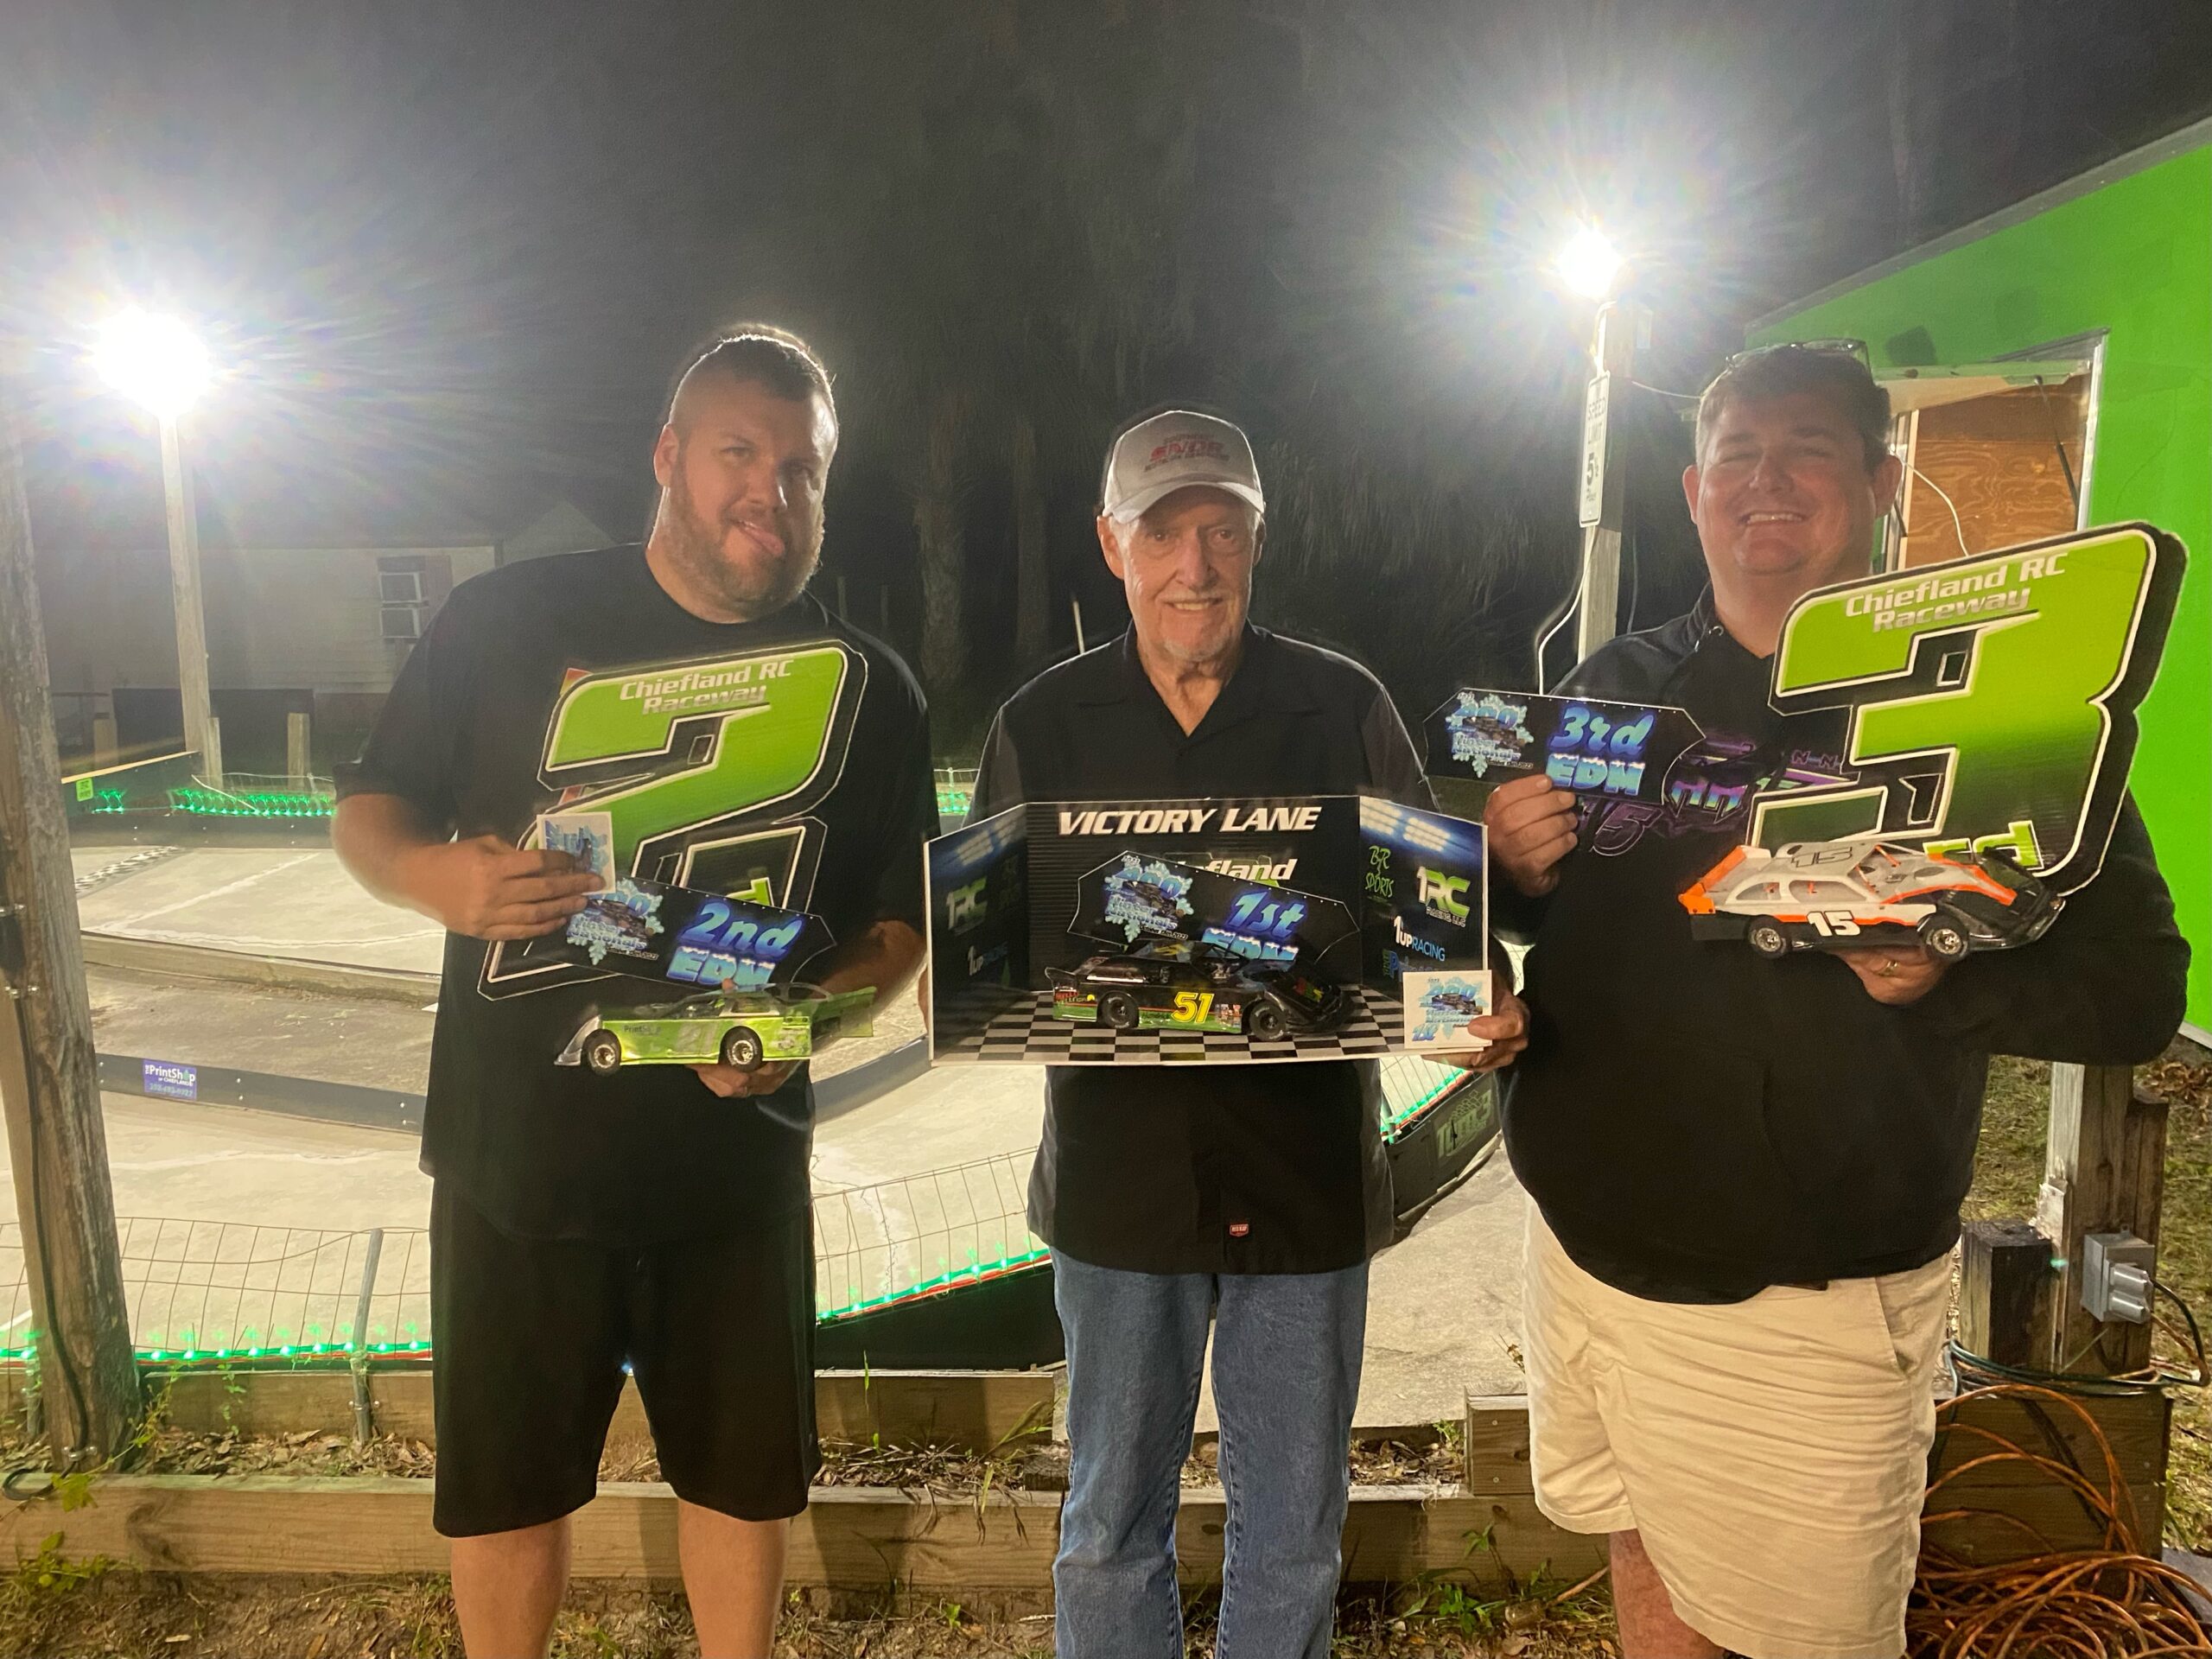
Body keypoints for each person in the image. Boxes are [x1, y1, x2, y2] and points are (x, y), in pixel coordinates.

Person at [1485, 343, 2188, 1659]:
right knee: (1638, 1543)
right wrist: (1506, 877)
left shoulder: (1992, 705)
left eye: (1805, 449)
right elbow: (1561, 919)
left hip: (1801, 1302)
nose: (1766, 481)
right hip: (1581, 1251)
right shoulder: (1612, 686)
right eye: (1737, 456)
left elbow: (2138, 993)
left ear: (1882, 480)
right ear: (1693, 491)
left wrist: (1949, 974)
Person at [333, 327, 935, 1659]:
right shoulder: (506, 619)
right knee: (505, 1496)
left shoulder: (874, 689)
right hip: (515, 1161)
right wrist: (437, 880)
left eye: (802, 468)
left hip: (734, 1173)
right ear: (668, 456)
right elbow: (370, 809)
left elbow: (897, 931)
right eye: (738, 452)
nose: (769, 491)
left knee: (740, 1491)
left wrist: (812, 1022)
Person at [971, 408, 1529, 1659]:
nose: (1195, 566)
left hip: (1304, 1185)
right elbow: (985, 954)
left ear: (1258, 541)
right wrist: (963, 991)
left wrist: (1475, 1004)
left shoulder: (1342, 704)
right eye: (1164, 534)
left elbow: (1434, 925)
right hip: (1120, 1194)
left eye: (1222, 531)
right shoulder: (1043, 724)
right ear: (1111, 545)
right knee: (1107, 1523)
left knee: (1294, 1532)